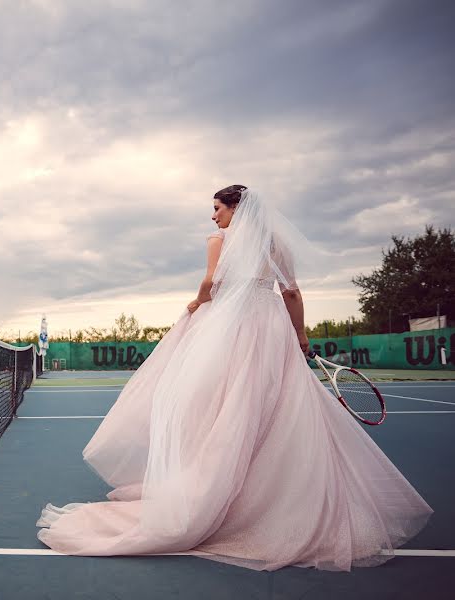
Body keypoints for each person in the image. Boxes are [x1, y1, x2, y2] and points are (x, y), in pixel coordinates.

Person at [36, 186, 432, 571]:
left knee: (226, 409)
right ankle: (269, 497)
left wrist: (195, 303)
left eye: (218, 208)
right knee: (275, 408)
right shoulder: (279, 246)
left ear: (235, 210)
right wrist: (300, 335)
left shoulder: (219, 241)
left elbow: (212, 284)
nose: (214, 216)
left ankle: (220, 494)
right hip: (272, 326)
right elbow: (291, 292)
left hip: (233, 327)